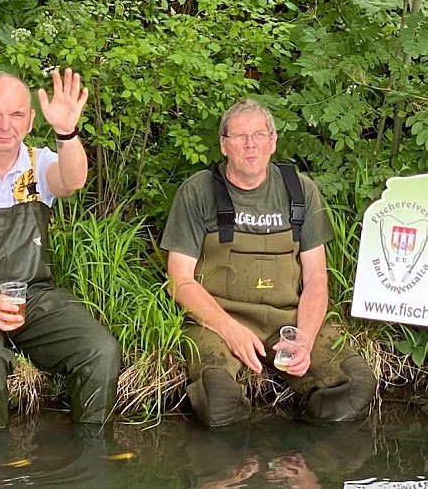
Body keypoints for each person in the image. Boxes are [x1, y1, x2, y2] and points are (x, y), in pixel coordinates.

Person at [0, 68, 121, 430]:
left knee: (100, 350)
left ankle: (90, 458)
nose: (4, 125)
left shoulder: (40, 163)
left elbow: (73, 180)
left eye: (16, 115)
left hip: (33, 296)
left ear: (30, 121)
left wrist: (66, 131)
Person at [161, 98, 376, 427]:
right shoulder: (198, 192)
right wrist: (231, 331)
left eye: (259, 135)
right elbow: (180, 279)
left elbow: (317, 278)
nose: (250, 145)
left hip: (288, 321)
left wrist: (303, 339)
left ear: (273, 142)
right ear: (223, 144)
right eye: (239, 137)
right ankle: (243, 439)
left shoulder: (299, 190)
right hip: (218, 323)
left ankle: (299, 442)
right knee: (218, 406)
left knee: (357, 386)